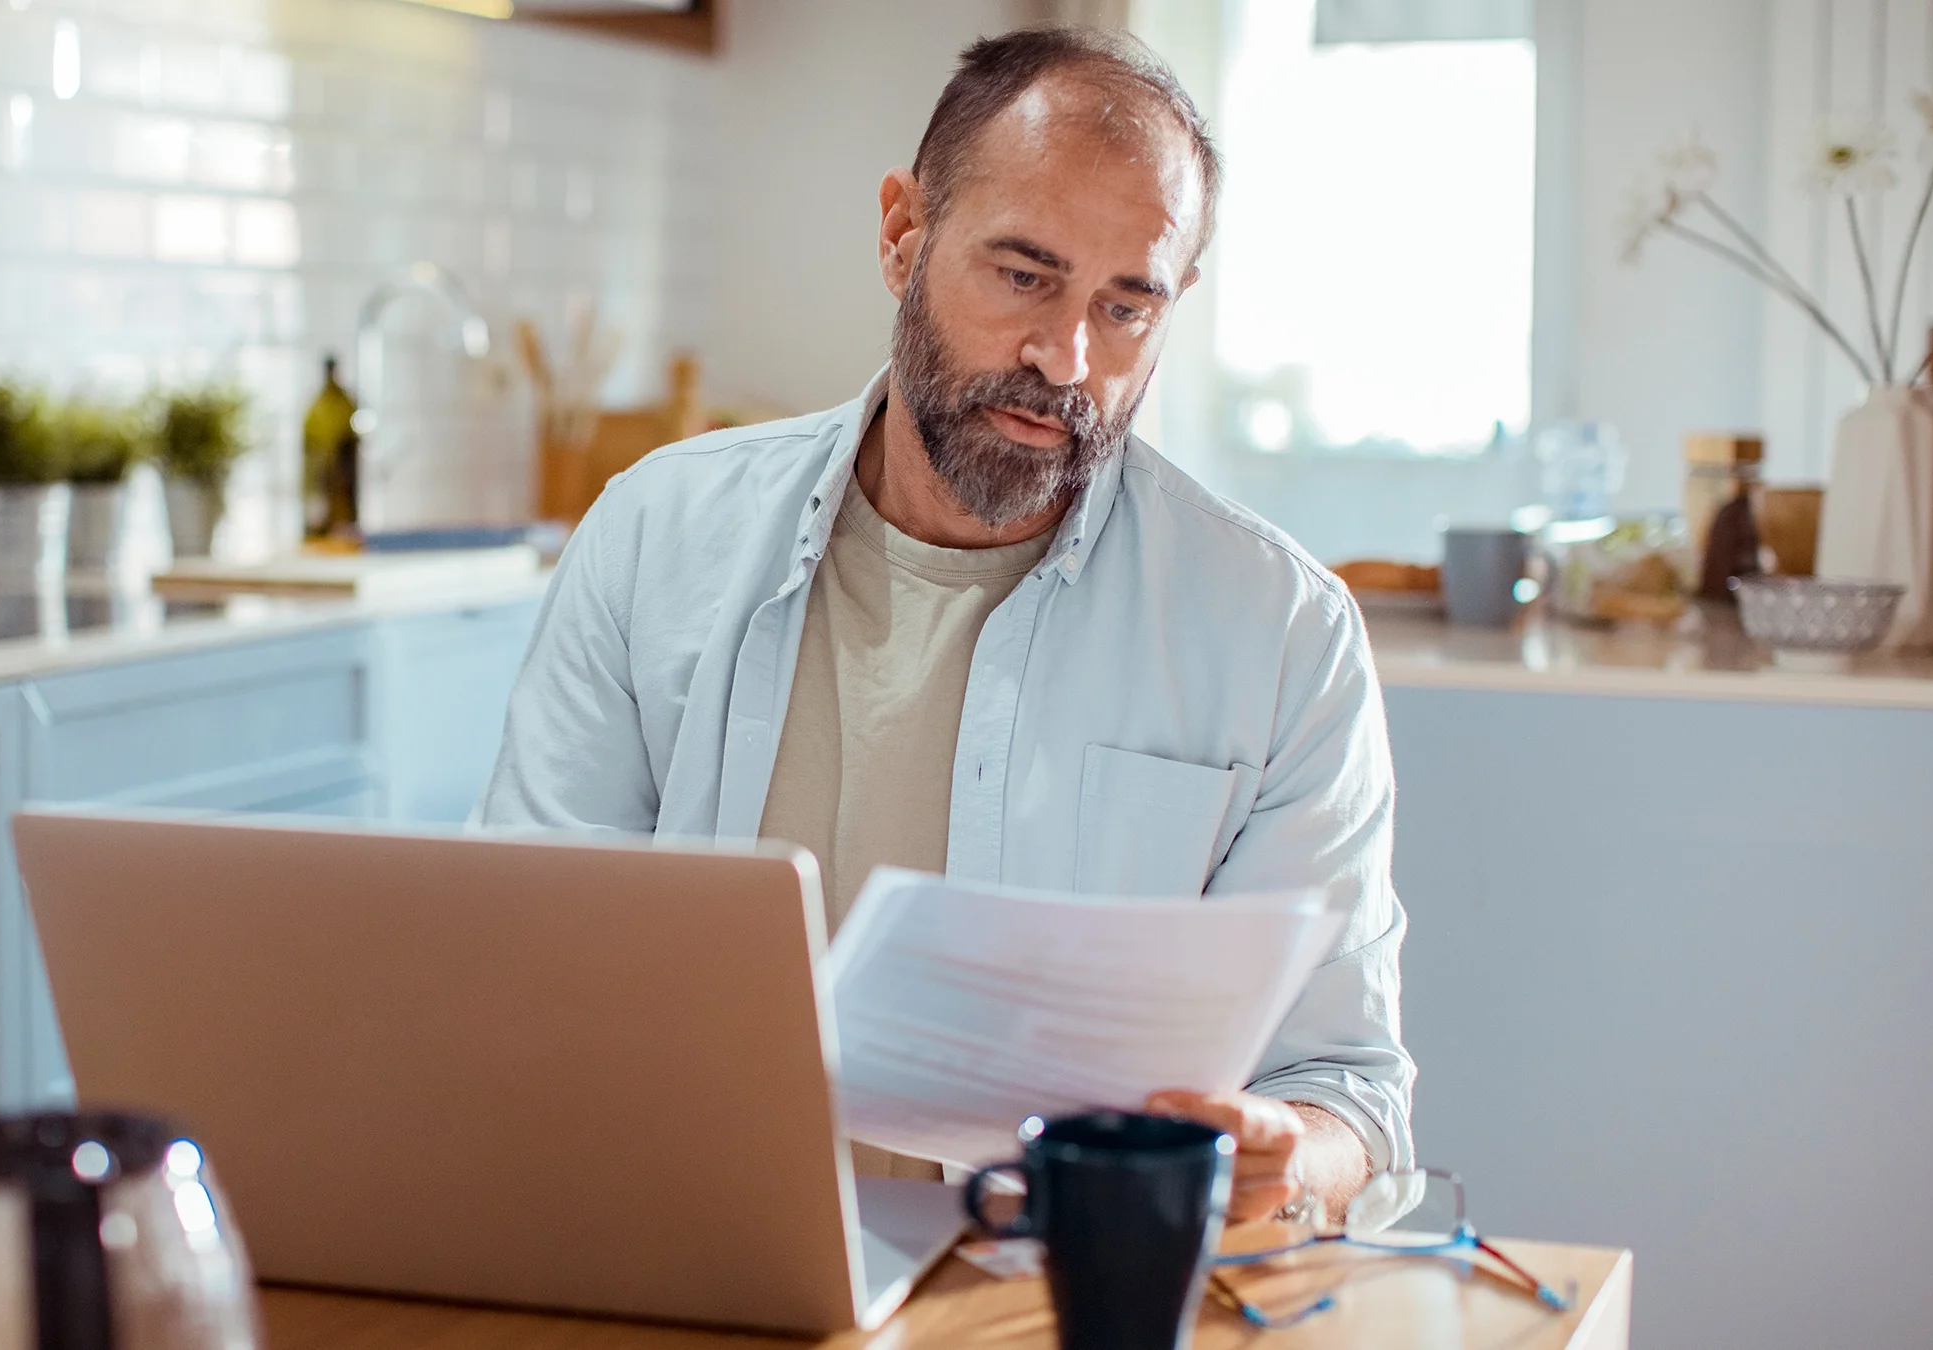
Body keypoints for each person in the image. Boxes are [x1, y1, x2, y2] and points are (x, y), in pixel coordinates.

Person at [480, 25, 1411, 1224]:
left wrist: (1284, 1159)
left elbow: (1348, 1088)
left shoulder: (1281, 632)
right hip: (690, 1253)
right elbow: (522, 963)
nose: (1065, 359)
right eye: (1024, 275)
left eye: (1126, 307)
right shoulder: (654, 536)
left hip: (1047, 1287)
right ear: (902, 233)